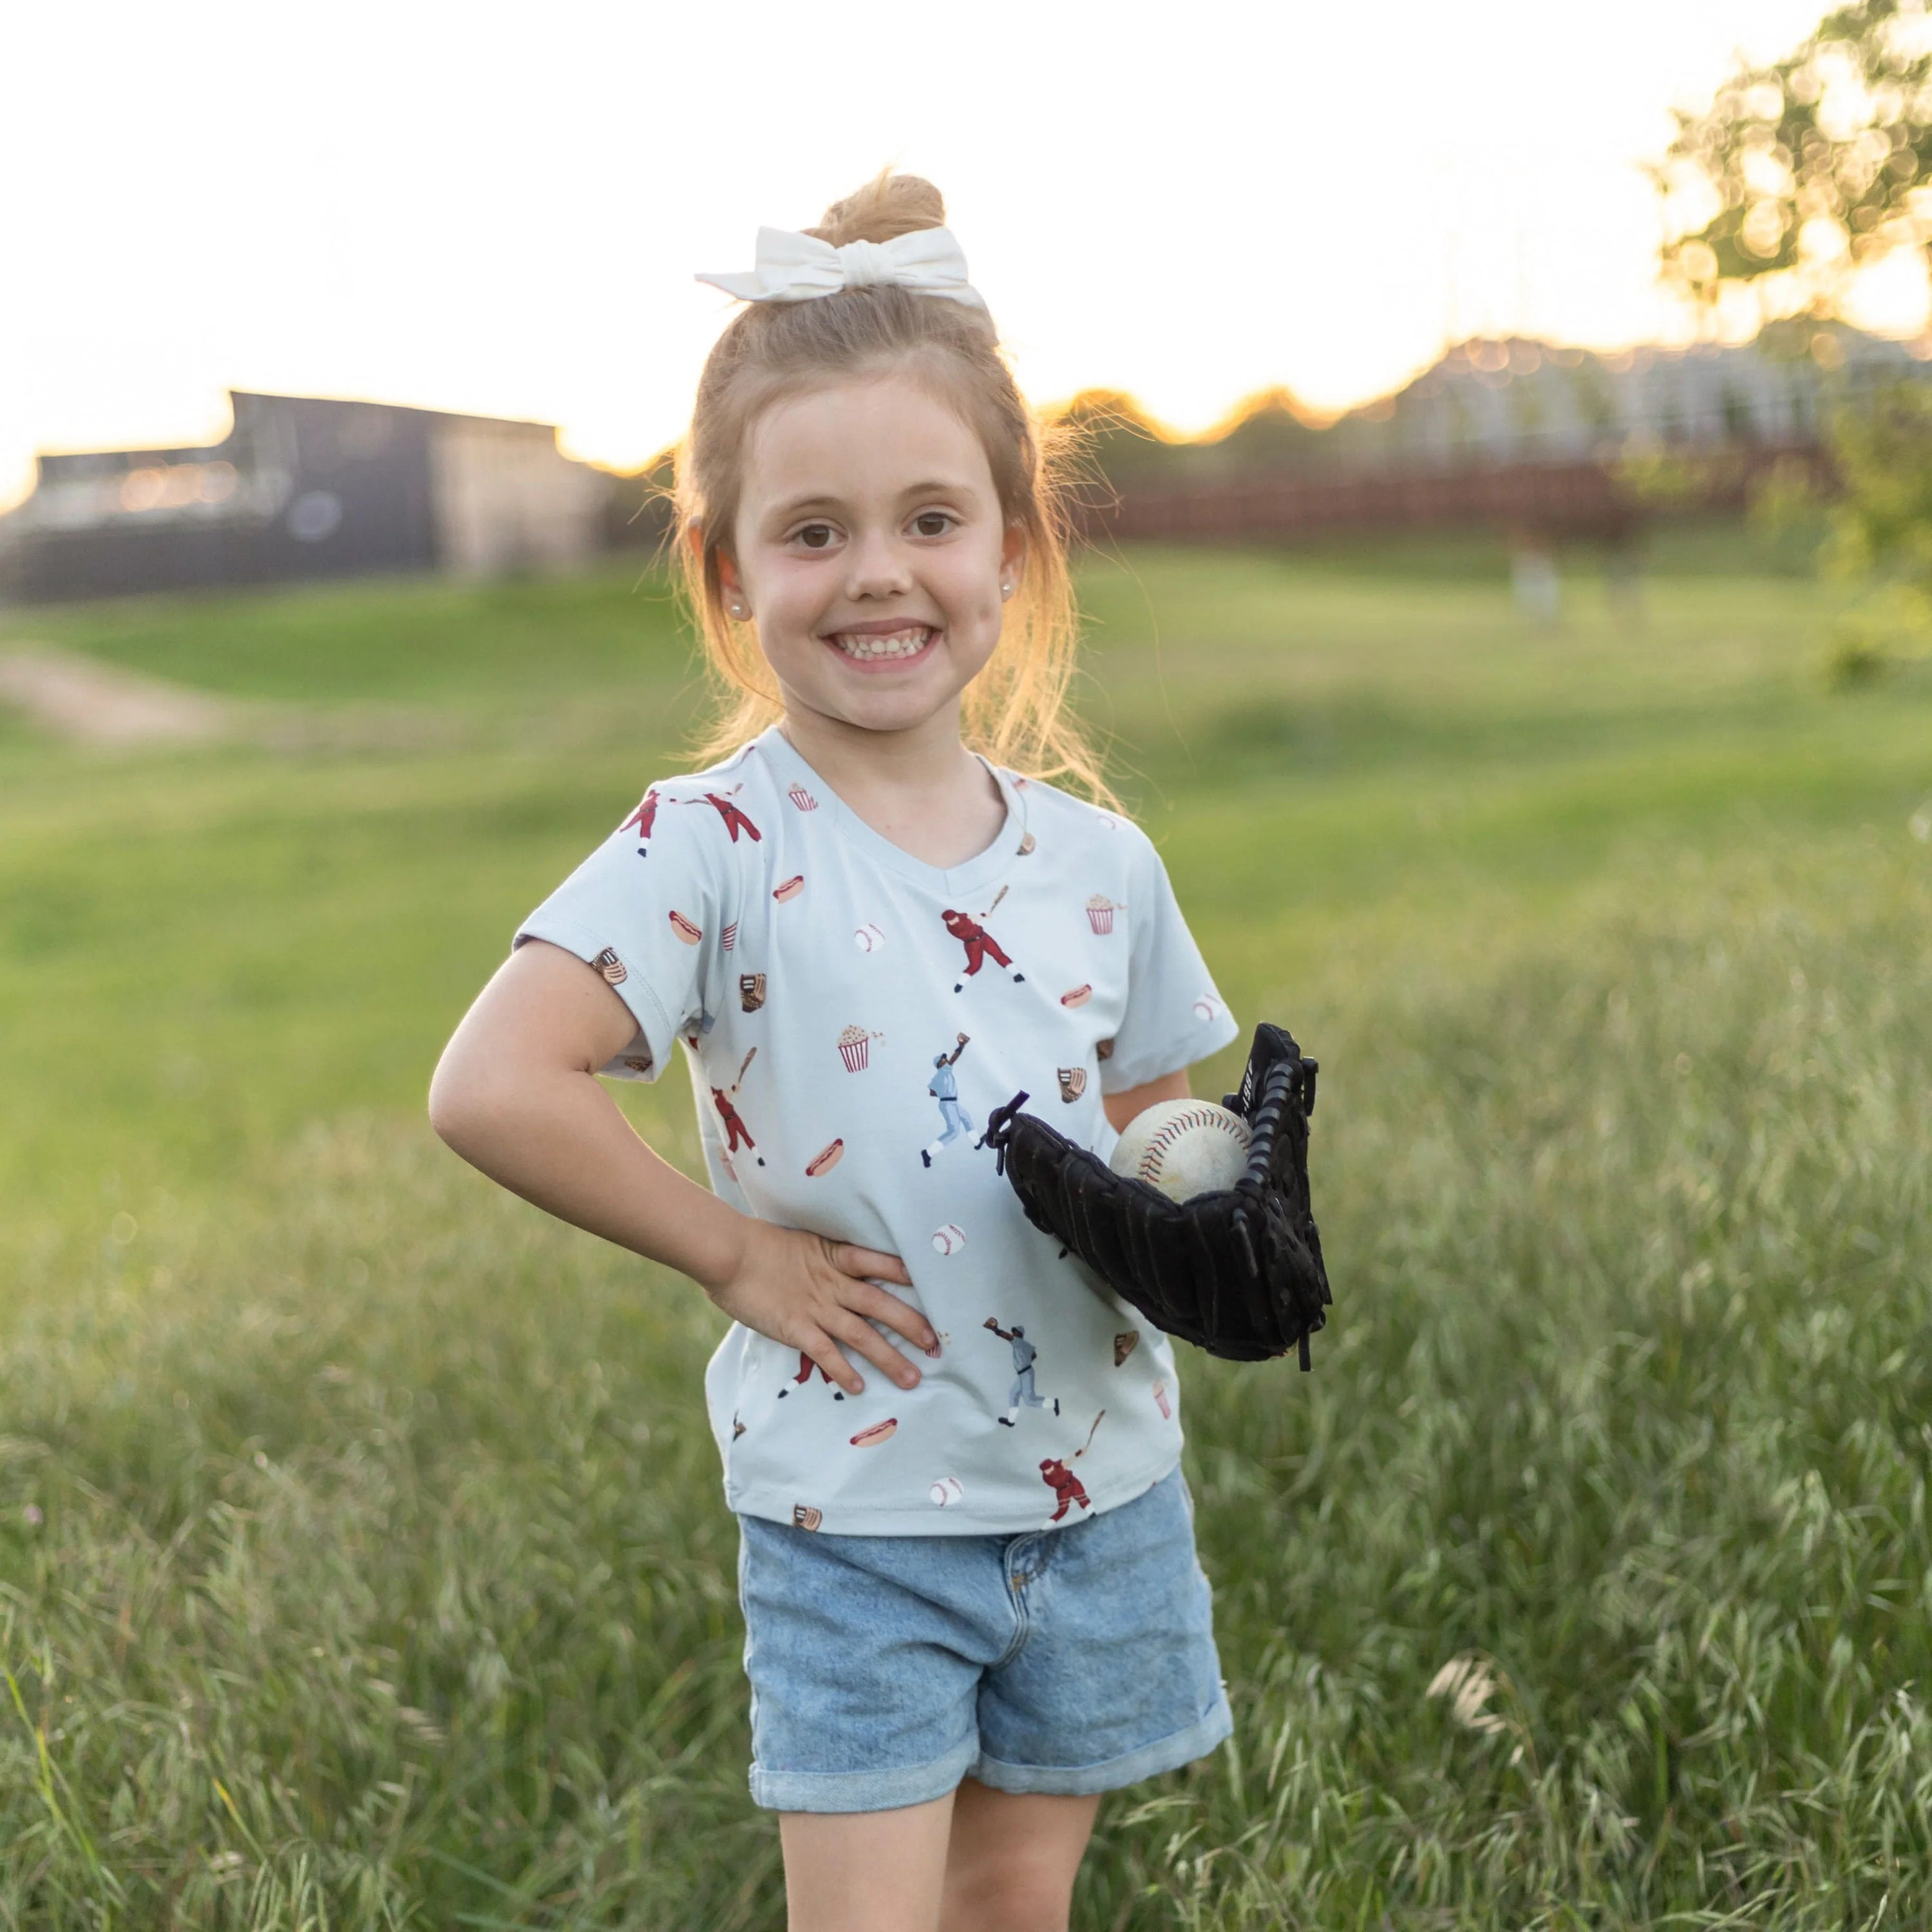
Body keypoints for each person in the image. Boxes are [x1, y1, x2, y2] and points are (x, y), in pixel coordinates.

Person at [428, 171, 1240, 1932]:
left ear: (1012, 551)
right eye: (813, 533)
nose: (878, 572)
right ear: (727, 574)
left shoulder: (1102, 865)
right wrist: (734, 1252)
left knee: (1017, 1897)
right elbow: (492, 1083)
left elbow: (1151, 1122)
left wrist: (1205, 1224)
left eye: (931, 519)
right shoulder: (709, 848)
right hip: (856, 1514)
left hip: (1096, 1491)